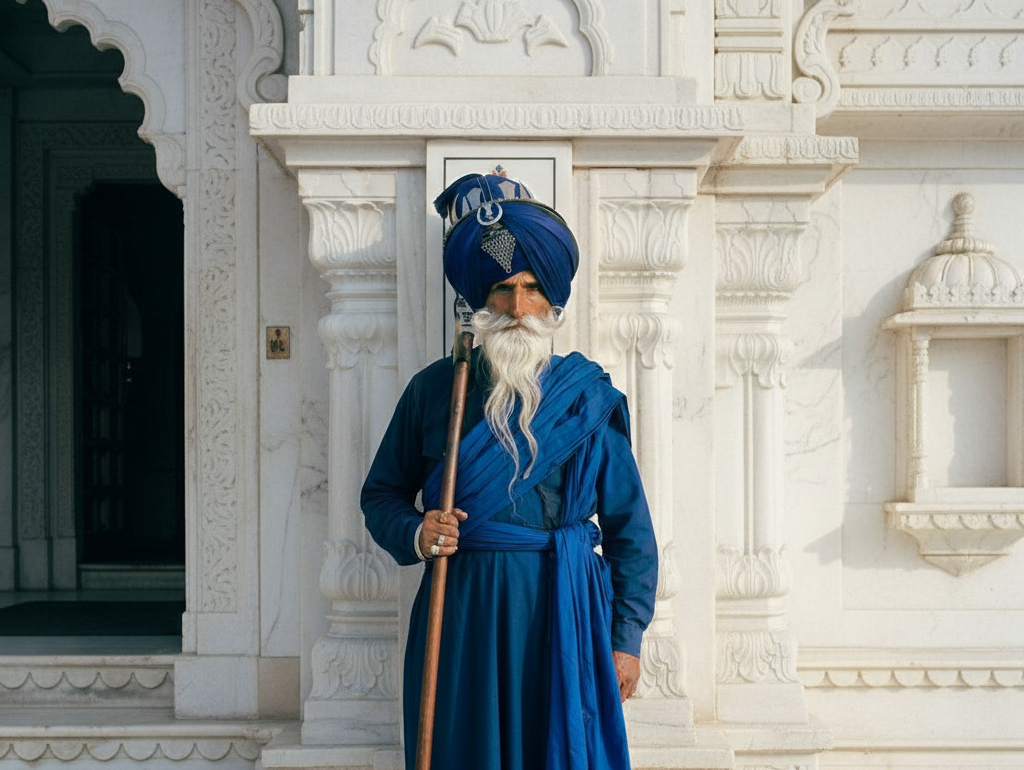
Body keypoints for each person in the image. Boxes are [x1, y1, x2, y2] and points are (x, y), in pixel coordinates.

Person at [360, 171, 658, 770]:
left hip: (564, 608)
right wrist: (418, 533)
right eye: (502, 289)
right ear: (479, 299)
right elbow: (382, 495)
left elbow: (631, 532)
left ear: (554, 299)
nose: (518, 307)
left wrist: (626, 639)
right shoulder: (434, 391)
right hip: (463, 612)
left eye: (532, 289)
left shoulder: (586, 400)